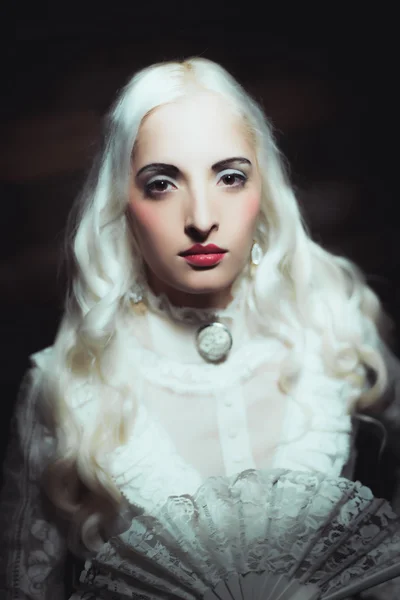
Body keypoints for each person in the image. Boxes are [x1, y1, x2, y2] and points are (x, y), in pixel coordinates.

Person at [1, 57, 399, 600]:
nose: (201, 215)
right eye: (162, 183)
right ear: (122, 202)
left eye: (230, 177)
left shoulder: (335, 330)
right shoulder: (64, 385)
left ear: (264, 189)